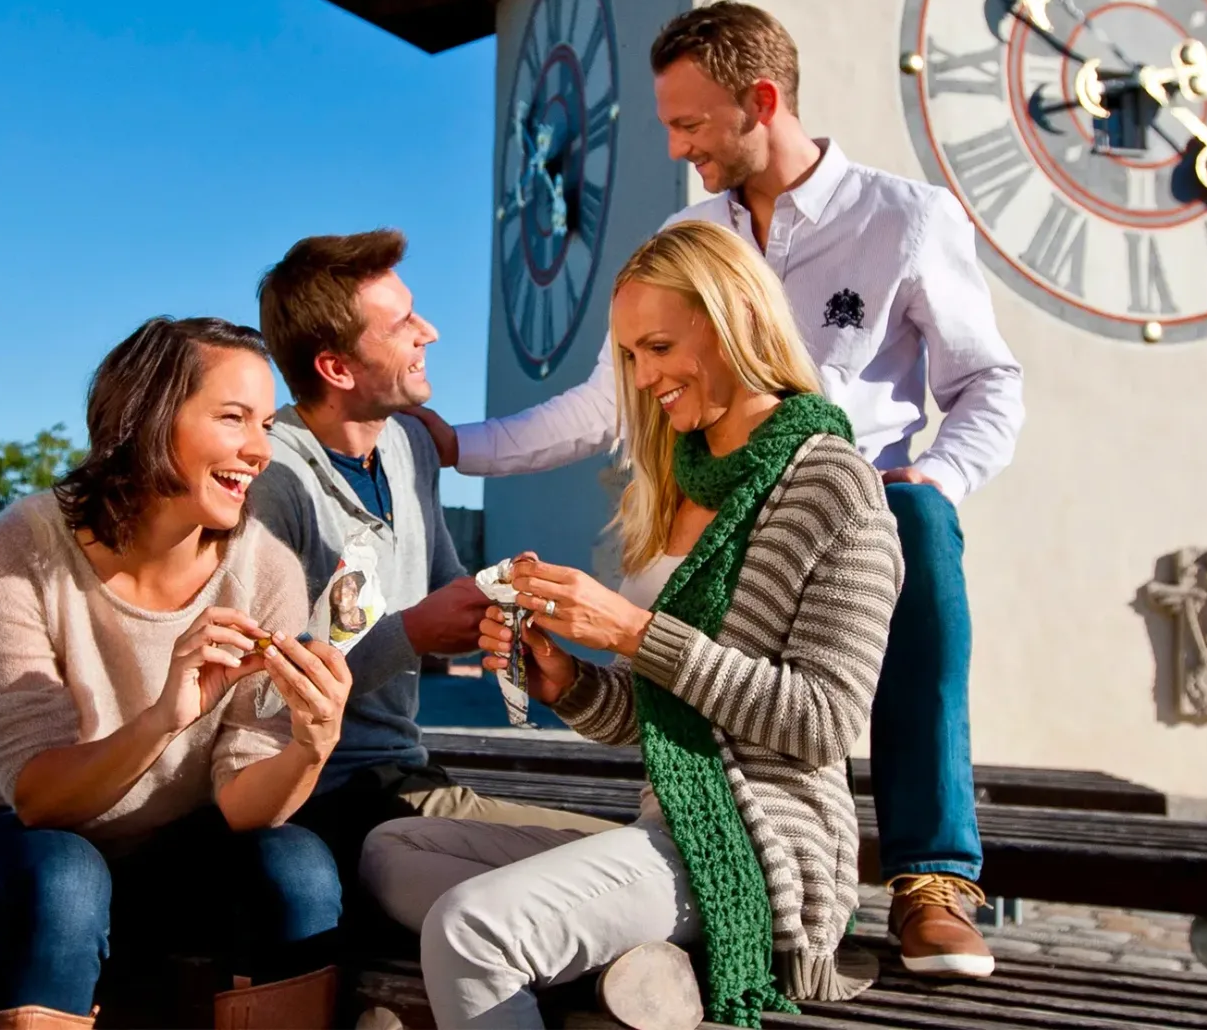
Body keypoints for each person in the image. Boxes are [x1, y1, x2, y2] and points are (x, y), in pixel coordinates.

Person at [407, 0, 1024, 978]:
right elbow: (608, 401)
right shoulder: (693, 230)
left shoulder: (905, 219)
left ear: (761, 103)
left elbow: (987, 379)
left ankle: (932, 874)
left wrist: (939, 474)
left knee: (911, 518)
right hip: (723, 505)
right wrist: (457, 445)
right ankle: (664, 877)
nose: (674, 144)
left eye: (689, 123)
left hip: (849, 504)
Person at [361, 221, 903, 1029]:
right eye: (630, 358)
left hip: (758, 844)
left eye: (657, 348)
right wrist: (568, 682)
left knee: (471, 929)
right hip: (668, 820)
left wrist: (632, 633)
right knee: (387, 854)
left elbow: (823, 722)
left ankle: (673, 949)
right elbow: (665, 718)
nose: (643, 379)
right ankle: (639, 961)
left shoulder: (833, 487)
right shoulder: (676, 478)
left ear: (735, 322)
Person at [0, 317, 354, 1030]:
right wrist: (162, 718)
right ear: (145, 418)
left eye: (266, 424)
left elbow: (245, 807)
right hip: (1, 842)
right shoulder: (16, 550)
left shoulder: (267, 569)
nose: (259, 451)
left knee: (297, 864)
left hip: (163, 850)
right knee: (65, 875)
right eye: (234, 418)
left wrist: (310, 742)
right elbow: (39, 801)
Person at [245, 229, 612, 889]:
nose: (430, 332)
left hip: (408, 779)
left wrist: (504, 595)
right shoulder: (270, 479)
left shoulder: (410, 443)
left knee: (623, 865)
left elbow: (443, 586)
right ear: (337, 368)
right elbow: (266, 691)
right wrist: (414, 631)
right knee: (618, 867)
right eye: (402, 324)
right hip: (317, 798)